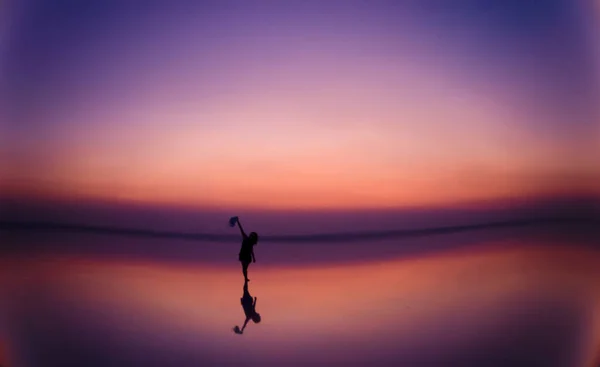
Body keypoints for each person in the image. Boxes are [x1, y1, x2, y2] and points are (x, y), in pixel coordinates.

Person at [232, 216, 259, 282]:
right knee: (244, 268)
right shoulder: (245, 238)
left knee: (245, 268)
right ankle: (246, 278)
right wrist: (238, 222)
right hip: (243, 255)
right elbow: (241, 229)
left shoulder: (251, 242)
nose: (251, 236)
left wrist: (254, 257)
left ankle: (245, 278)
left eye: (252, 236)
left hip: (247, 256)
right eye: (251, 235)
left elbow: (251, 250)